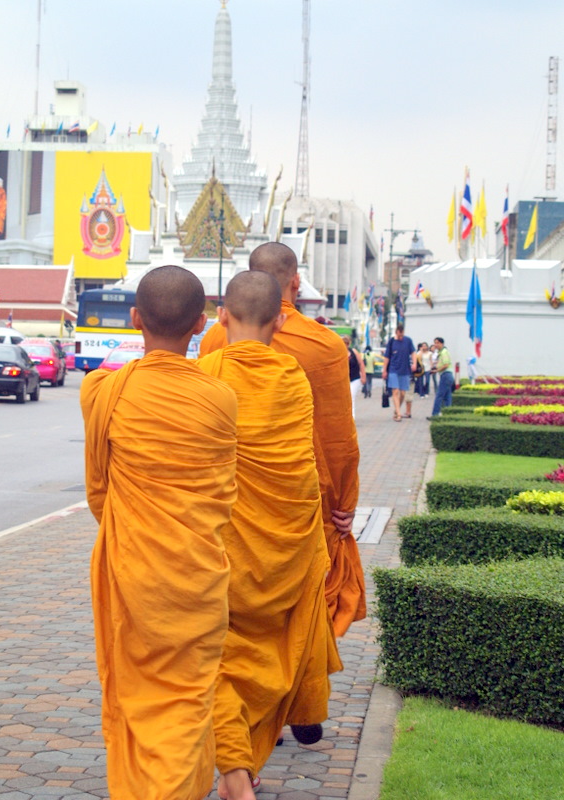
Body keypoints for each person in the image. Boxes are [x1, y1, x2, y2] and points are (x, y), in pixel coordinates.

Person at [80, 266, 239, 800]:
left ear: (134, 319)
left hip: (134, 575)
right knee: (190, 703)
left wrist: (130, 530)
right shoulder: (221, 399)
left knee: (139, 700)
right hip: (197, 580)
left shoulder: (103, 391)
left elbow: (99, 492)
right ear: (200, 324)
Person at [198, 271, 342, 800]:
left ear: (221, 316)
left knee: (219, 655)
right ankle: (248, 758)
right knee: (280, 647)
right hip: (289, 535)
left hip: (228, 539)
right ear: (282, 320)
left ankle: (237, 765)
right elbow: (306, 460)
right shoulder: (293, 377)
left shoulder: (208, 372)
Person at [200, 242, 365, 638]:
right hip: (302, 503)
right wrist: (344, 505)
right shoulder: (325, 345)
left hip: (227, 503)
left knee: (234, 615)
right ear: (295, 282)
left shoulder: (212, 345)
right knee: (297, 618)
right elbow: (339, 437)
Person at [382, 323, 417, 421]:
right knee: (395, 391)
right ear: (396, 332)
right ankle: (398, 414)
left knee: (402, 393)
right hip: (393, 369)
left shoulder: (408, 341)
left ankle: (396, 410)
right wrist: (384, 370)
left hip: (405, 370)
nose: (401, 337)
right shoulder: (392, 342)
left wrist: (414, 363)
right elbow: (387, 357)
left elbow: (413, 353)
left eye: (402, 335)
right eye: (399, 335)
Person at [428, 336, 454, 418]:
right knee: (447, 396)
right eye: (435, 343)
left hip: (446, 375)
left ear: (442, 343)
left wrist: (437, 370)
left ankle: (435, 414)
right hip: (447, 375)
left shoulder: (444, 352)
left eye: (437, 343)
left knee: (439, 395)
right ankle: (448, 413)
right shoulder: (441, 352)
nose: (435, 345)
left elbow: (446, 365)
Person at [343, 335, 366, 416]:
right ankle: (345, 416)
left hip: (355, 378)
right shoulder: (339, 353)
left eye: (347, 343)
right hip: (344, 380)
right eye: (344, 343)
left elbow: (361, 364)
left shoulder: (353, 352)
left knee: (351, 396)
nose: (346, 345)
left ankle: (352, 417)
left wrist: (363, 376)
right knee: (344, 399)